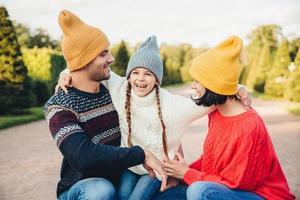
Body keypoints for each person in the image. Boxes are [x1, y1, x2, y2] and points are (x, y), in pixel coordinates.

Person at [58, 35, 250, 200]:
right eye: (135, 73)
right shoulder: (119, 87)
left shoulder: (174, 105)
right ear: (128, 76)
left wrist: (238, 87)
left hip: (156, 171)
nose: (140, 79)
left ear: (157, 79)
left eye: (148, 74)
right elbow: (85, 68)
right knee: (122, 195)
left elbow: (214, 96)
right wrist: (66, 73)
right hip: (131, 166)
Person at [44, 10, 167, 200]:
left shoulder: (114, 93)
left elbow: (158, 111)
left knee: (174, 191)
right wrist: (141, 154)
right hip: (83, 190)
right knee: (100, 189)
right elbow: (83, 158)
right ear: (83, 61)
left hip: (122, 184)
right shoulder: (59, 106)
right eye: (103, 54)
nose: (111, 58)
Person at [163, 36, 296, 200]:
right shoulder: (215, 112)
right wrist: (180, 172)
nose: (192, 86)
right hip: (223, 187)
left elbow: (240, 183)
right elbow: (210, 160)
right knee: (165, 194)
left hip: (260, 194)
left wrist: (187, 174)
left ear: (214, 85)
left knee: (199, 192)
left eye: (197, 81)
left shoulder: (249, 126)